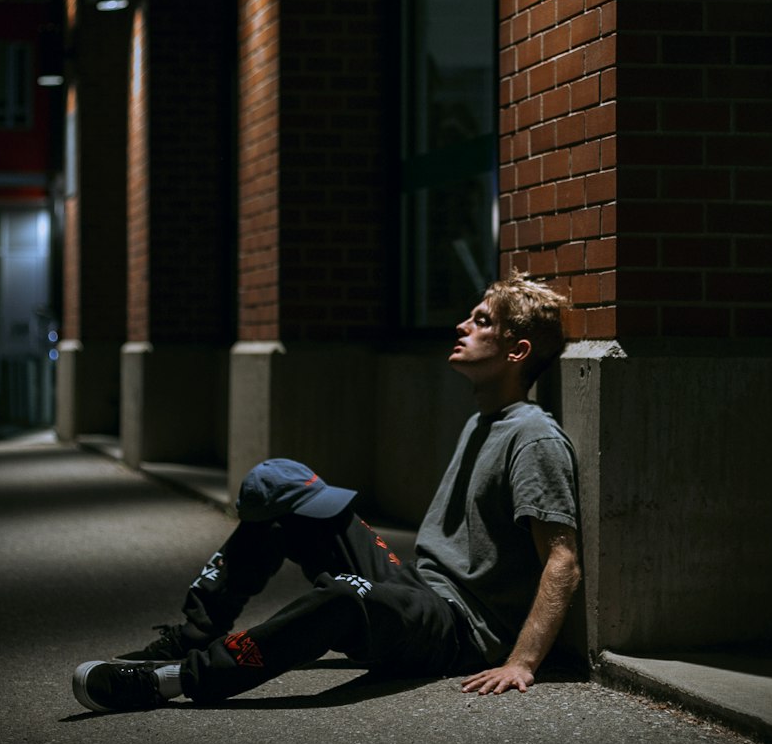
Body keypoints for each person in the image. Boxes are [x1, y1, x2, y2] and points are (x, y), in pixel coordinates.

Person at [72, 273, 581, 713]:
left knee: (341, 596)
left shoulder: (533, 437)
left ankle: (175, 680)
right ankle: (191, 636)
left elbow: (563, 560)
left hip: (460, 630)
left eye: (482, 321)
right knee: (290, 498)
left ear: (518, 352)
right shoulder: (481, 421)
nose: (462, 326)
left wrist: (521, 661)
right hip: (420, 589)